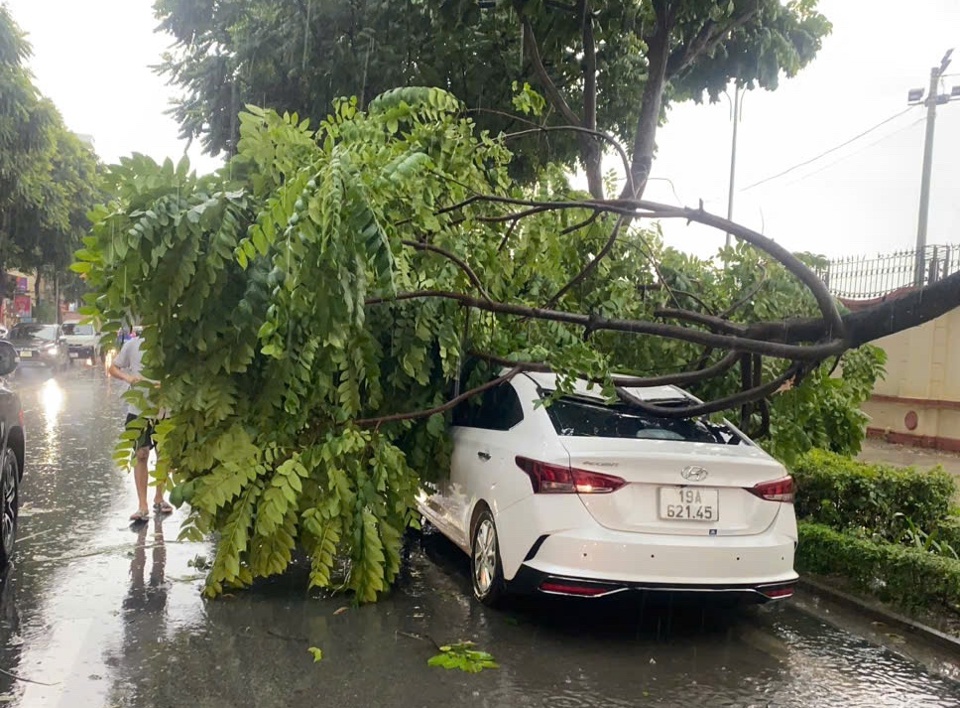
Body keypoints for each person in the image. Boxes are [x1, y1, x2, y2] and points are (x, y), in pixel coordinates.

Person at [108, 333, 173, 521]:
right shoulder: (132, 345)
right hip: (139, 410)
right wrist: (128, 379)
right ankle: (142, 505)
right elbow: (113, 368)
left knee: (163, 455)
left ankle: (159, 498)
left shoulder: (170, 343)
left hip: (165, 410)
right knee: (141, 454)